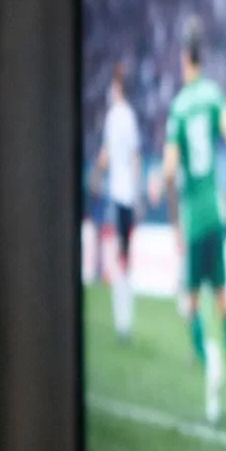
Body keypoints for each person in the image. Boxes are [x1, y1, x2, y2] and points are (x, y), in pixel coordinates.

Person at [158, 18, 226, 428]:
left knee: (189, 304)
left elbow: (167, 171)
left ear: (184, 59)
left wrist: (174, 221)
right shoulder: (214, 95)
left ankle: (209, 357)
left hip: (194, 221)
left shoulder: (179, 106)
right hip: (216, 213)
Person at [92, 62, 142, 340]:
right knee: (124, 256)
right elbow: (134, 156)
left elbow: (108, 154)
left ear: (118, 87)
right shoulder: (129, 117)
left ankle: (122, 318)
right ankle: (124, 318)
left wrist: (97, 178)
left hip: (118, 195)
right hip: (126, 195)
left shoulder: (115, 116)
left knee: (118, 255)